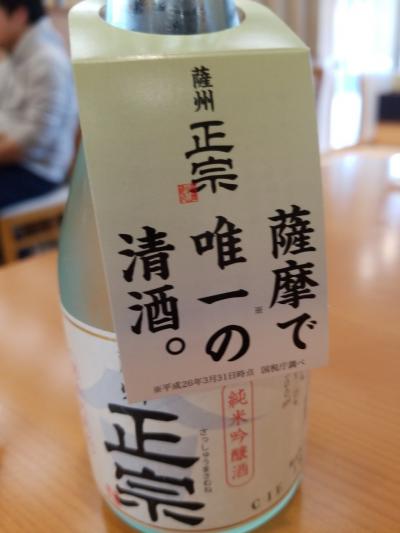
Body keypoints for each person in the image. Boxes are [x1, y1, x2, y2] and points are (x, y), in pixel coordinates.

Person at [0, 0, 77, 210]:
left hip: (38, 172)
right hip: (12, 162)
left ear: (19, 15)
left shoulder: (48, 60)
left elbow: (37, 139)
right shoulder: (13, 58)